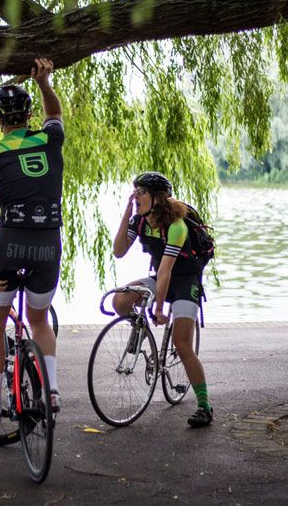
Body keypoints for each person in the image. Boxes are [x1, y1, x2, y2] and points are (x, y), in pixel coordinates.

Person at [0, 58, 64, 425]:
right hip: (48, 243)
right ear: (28, 115)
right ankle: (51, 390)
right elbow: (54, 112)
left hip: (10, 243)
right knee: (39, 322)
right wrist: (44, 82)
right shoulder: (51, 139)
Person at [112, 171, 213, 428]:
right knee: (120, 301)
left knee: (182, 343)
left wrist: (158, 308)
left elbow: (167, 269)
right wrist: (127, 212)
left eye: (141, 192)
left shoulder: (176, 225)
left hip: (185, 282)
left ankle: (204, 406)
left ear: (158, 198)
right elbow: (119, 251)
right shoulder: (140, 221)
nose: (136, 196)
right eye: (135, 191)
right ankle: (140, 329)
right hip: (160, 278)